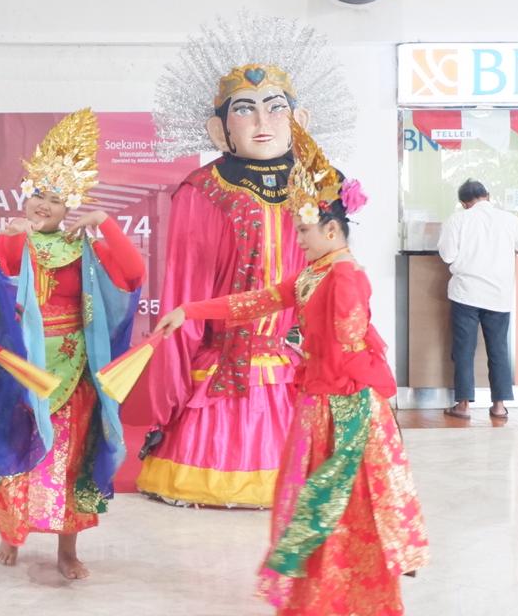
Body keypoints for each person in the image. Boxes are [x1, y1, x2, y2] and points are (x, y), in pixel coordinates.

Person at [154, 142, 428, 615]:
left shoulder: (343, 276)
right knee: (312, 502)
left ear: (331, 229)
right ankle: (323, 593)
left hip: (345, 406)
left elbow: (350, 347)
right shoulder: (315, 273)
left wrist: (343, 397)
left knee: (338, 503)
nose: (297, 239)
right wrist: (189, 310)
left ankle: (351, 595)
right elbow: (253, 302)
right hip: (320, 402)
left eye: (303, 231)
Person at [138, 13, 357, 508]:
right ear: (220, 129)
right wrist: (178, 359)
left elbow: (336, 274)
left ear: (299, 122)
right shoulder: (204, 190)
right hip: (226, 355)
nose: (262, 122)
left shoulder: (322, 183)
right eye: (245, 110)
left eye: (275, 108)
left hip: (299, 353)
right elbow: (186, 286)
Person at [0, 108, 146, 580]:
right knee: (21, 450)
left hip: (76, 368)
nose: (43, 204)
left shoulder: (83, 246)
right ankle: (11, 533)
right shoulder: (12, 239)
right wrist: (13, 240)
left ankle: (68, 548)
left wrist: (105, 223)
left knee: (72, 458)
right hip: (28, 370)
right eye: (37, 195)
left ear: (70, 207)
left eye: (55, 198)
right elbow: (3, 272)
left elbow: (131, 276)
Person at [437, 179, 518, 421]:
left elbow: (447, 255)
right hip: (499, 294)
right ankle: (499, 405)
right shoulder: (508, 220)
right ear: (488, 195)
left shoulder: (457, 220)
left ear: (463, 203)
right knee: (498, 349)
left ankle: (463, 405)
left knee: (464, 349)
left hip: (466, 292)